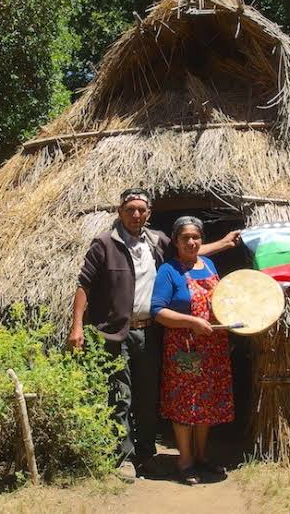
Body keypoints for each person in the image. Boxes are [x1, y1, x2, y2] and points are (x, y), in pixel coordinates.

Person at [67, 189, 240, 482]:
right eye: (130, 209)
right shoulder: (105, 244)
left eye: (141, 210)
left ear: (148, 213)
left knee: (147, 398)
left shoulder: (156, 240)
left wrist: (223, 244)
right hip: (116, 332)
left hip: (149, 333)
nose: (136, 215)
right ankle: (124, 458)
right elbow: (84, 284)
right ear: (120, 211)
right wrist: (77, 325)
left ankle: (146, 455)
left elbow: (189, 251)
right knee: (120, 396)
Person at [150, 216, 234, 485]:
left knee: (206, 402)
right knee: (185, 403)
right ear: (175, 241)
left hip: (212, 348)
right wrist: (192, 322)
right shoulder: (169, 271)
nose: (191, 242)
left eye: (196, 237)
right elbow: (158, 311)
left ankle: (201, 456)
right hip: (185, 348)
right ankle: (184, 461)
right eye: (185, 237)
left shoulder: (208, 264)